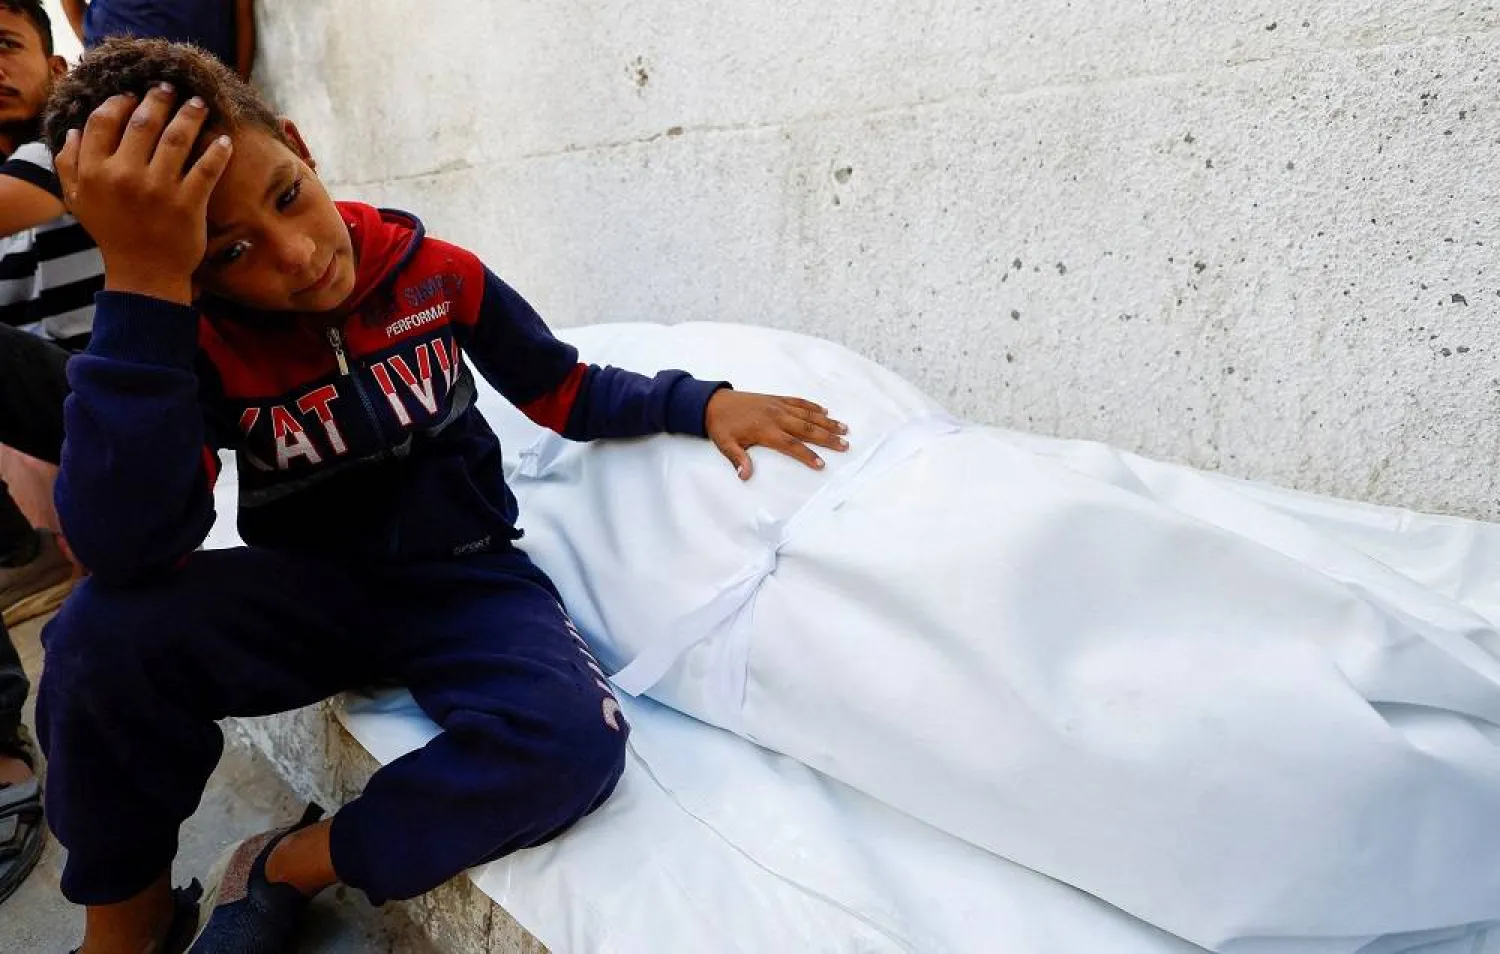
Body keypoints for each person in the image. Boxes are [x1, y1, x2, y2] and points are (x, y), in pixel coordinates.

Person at [39, 37, 849, 954]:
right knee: (93, 637)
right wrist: (144, 292)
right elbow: (127, 547)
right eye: (231, 251)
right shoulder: (190, 339)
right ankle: (128, 929)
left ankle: (283, 864)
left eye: (287, 196)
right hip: (310, 593)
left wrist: (698, 401)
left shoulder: (436, 274)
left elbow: (565, 387)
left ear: (301, 147)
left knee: (572, 744)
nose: (298, 255)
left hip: (466, 584)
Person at [0, 0, 102, 908]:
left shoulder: (78, 131)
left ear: (52, 59)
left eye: (4, 46)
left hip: (118, 404)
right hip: (34, 443)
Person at [59, 0, 254, 79]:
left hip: (202, 76)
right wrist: (95, 43)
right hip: (118, 76)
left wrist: (239, 92)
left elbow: (242, 11)